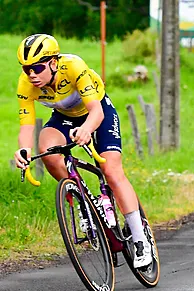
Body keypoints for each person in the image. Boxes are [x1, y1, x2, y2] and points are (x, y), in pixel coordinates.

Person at [13, 34, 152, 268]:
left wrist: (87, 130)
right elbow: (27, 125)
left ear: (53, 63)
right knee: (46, 150)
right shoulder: (26, 84)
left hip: (99, 112)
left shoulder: (74, 66)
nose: (32, 74)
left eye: (37, 67)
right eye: (27, 69)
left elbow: (96, 111)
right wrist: (23, 150)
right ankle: (82, 202)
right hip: (65, 118)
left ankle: (140, 240)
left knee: (111, 171)